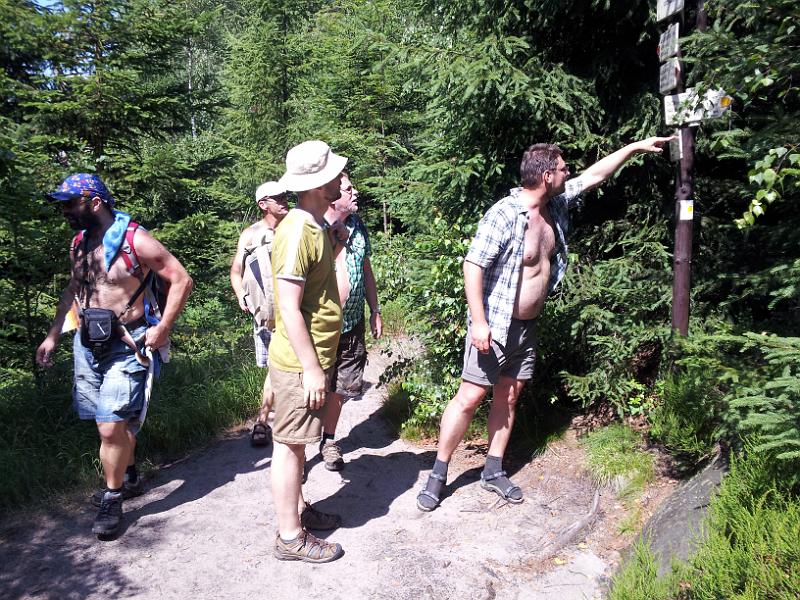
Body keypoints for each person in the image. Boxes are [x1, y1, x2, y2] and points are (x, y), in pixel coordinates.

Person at [416, 136, 674, 512]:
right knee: (469, 398)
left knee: (509, 395)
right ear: (547, 175)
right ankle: (438, 475)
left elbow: (594, 176)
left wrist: (634, 148)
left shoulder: (555, 205)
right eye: (563, 168)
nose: (569, 173)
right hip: (495, 324)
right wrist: (479, 322)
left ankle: (493, 470)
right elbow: (472, 265)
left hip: (527, 327)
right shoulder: (505, 214)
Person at [36, 173, 193, 536]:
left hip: (128, 343)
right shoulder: (79, 243)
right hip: (87, 343)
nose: (64, 211)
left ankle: (112, 496)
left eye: (69, 204)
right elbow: (74, 290)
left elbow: (181, 279)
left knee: (109, 426)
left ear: (94, 202)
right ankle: (129, 474)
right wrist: (53, 335)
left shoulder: (135, 240)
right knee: (106, 423)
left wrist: (163, 327)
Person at [269, 140, 347, 563]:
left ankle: (298, 511)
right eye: (335, 174)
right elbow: (288, 306)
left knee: (298, 442)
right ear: (319, 184)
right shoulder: (298, 229)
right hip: (301, 362)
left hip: (312, 357)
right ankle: (289, 537)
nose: (341, 179)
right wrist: (312, 368)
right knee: (289, 445)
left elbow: (313, 285)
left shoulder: (313, 226)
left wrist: (334, 239)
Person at [318, 172, 382, 471]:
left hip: (353, 321)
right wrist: (337, 235)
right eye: (348, 189)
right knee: (313, 387)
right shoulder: (314, 227)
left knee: (341, 386)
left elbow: (366, 270)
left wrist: (375, 310)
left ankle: (328, 441)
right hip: (319, 327)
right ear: (332, 195)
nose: (355, 192)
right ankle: (296, 450)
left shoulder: (358, 225)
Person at [230, 181, 290, 447]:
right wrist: (240, 294)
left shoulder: (294, 228)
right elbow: (236, 271)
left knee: (285, 368)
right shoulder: (251, 235)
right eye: (278, 198)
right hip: (266, 315)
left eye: (285, 196)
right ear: (263, 204)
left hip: (297, 312)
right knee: (275, 367)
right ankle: (265, 421)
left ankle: (266, 421)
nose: (284, 200)